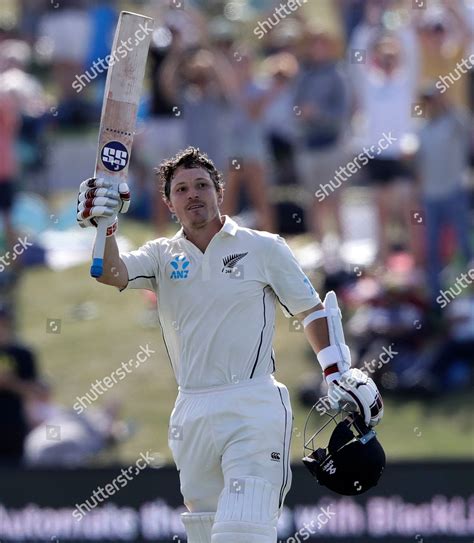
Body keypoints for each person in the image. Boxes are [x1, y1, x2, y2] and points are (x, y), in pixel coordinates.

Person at [77, 146, 383, 543]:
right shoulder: (161, 256)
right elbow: (108, 271)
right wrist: (105, 223)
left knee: (243, 532)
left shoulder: (264, 246)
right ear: (169, 203)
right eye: (182, 189)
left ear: (219, 192)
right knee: (205, 532)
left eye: (202, 185)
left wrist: (336, 371)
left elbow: (311, 310)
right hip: (192, 411)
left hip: (252, 404)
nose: (193, 195)